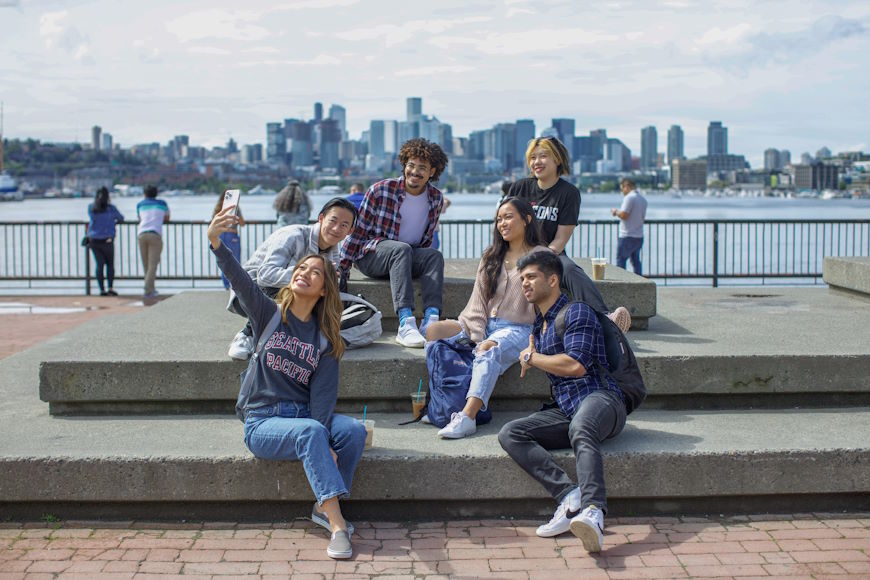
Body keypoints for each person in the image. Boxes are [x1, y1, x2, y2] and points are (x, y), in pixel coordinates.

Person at [208, 204, 365, 560]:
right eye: (301, 268)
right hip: (263, 421)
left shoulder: (326, 339)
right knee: (311, 432)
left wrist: (323, 435)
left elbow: (323, 401)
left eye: (315, 273)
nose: (305, 274)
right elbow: (239, 278)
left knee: (352, 432)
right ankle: (338, 524)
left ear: (325, 290)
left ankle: (321, 506)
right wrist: (216, 241)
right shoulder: (267, 314)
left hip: (303, 416)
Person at [498, 251, 628, 553]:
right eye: (522, 278)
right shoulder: (539, 325)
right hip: (567, 408)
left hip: (602, 400)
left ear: (553, 279)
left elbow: (576, 366)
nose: (525, 284)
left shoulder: (576, 312)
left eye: (532, 277)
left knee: (582, 426)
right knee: (511, 433)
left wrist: (532, 357)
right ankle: (570, 495)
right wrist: (535, 354)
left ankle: (594, 512)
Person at [425, 197, 550, 438]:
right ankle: (440, 404)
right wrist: (477, 332)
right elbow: (478, 301)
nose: (502, 223)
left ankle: (467, 417)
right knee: (434, 332)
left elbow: (548, 299)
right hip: (480, 323)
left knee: (488, 347)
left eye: (508, 217)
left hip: (519, 328)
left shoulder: (541, 256)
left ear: (526, 219)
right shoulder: (491, 256)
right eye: (498, 219)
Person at [508, 137, 631, 333]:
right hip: (519, 252)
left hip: (551, 253)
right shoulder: (520, 188)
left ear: (557, 159)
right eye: (532, 157)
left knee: (571, 269)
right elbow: (505, 224)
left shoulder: (569, 193)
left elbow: (560, 239)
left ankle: (607, 320)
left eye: (543, 156)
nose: (536, 162)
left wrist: (542, 256)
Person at [339, 138, 448, 349]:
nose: (415, 172)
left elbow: (425, 241)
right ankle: (406, 323)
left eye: (422, 168)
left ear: (432, 172)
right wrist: (342, 267)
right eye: (411, 166)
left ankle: (431, 322)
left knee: (434, 255)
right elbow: (358, 233)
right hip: (372, 255)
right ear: (404, 165)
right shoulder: (381, 190)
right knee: (401, 249)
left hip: (405, 256)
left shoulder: (435, 198)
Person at [228, 198, 357, 360]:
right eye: (333, 220)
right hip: (250, 294)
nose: (337, 228)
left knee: (337, 282)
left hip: (283, 296)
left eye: (344, 225)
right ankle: (247, 334)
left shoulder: (333, 253)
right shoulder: (292, 235)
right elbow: (265, 275)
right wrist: (310, 275)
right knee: (302, 286)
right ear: (321, 218)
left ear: (350, 231)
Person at [86, 186, 124, 296]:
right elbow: (121, 218)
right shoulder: (111, 208)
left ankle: (101, 290)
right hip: (107, 239)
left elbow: (92, 218)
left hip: (94, 239)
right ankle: (110, 288)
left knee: (99, 264)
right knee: (110, 265)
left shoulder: (91, 208)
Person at [136, 185, 170, 298]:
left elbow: (140, 219)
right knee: (153, 264)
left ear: (145, 194)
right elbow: (167, 218)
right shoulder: (162, 204)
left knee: (146, 264)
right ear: (156, 193)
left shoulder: (140, 204)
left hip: (141, 234)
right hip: (155, 234)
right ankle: (148, 290)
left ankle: (150, 289)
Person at [611, 178, 647, 275]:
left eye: (622, 189)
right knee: (636, 261)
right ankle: (639, 283)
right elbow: (642, 219)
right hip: (639, 236)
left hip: (627, 235)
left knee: (621, 261)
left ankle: (621, 284)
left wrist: (615, 212)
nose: (622, 192)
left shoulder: (629, 198)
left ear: (627, 186)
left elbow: (624, 215)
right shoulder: (642, 199)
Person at [212, 191, 246, 290]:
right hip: (232, 235)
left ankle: (226, 286)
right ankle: (235, 286)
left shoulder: (218, 208)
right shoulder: (234, 208)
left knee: (223, 261)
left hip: (220, 236)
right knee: (235, 261)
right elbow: (242, 223)